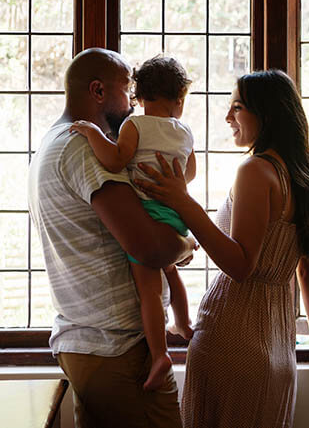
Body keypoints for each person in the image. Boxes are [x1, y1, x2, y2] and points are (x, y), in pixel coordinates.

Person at [135, 69, 309, 428]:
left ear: (267, 113)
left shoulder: (256, 171)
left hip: (231, 338)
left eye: (238, 108)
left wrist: (183, 203)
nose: (228, 117)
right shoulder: (307, 171)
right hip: (279, 347)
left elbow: (241, 265)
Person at [27, 48, 195, 428]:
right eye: (127, 90)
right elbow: (148, 247)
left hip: (88, 342)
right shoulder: (84, 146)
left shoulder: (52, 143)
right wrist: (186, 244)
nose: (134, 102)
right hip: (118, 350)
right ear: (98, 91)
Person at [68, 55, 197, 391]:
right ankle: (183, 323)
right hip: (176, 214)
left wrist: (93, 133)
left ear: (138, 98)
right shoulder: (185, 132)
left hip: (149, 214)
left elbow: (114, 159)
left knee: (149, 292)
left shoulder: (134, 125)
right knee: (171, 270)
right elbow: (189, 173)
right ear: (179, 99)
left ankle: (159, 355)